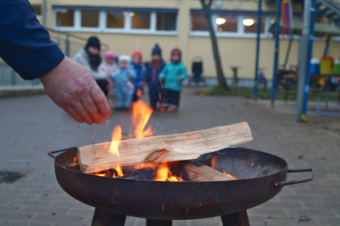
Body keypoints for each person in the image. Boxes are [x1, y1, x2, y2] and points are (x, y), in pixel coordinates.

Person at [0, 0, 110, 125]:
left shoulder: (96, 58)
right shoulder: (82, 56)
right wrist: (51, 63)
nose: (95, 51)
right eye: (93, 48)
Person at [159, 48, 187, 112]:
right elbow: (163, 72)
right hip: (167, 84)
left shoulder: (181, 66)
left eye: (177, 56)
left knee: (174, 97)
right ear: (171, 56)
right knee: (165, 96)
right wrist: (161, 76)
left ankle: (174, 106)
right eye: (174, 55)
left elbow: (184, 74)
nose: (175, 57)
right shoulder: (168, 66)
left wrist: (181, 77)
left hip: (176, 85)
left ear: (179, 57)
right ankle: (164, 105)